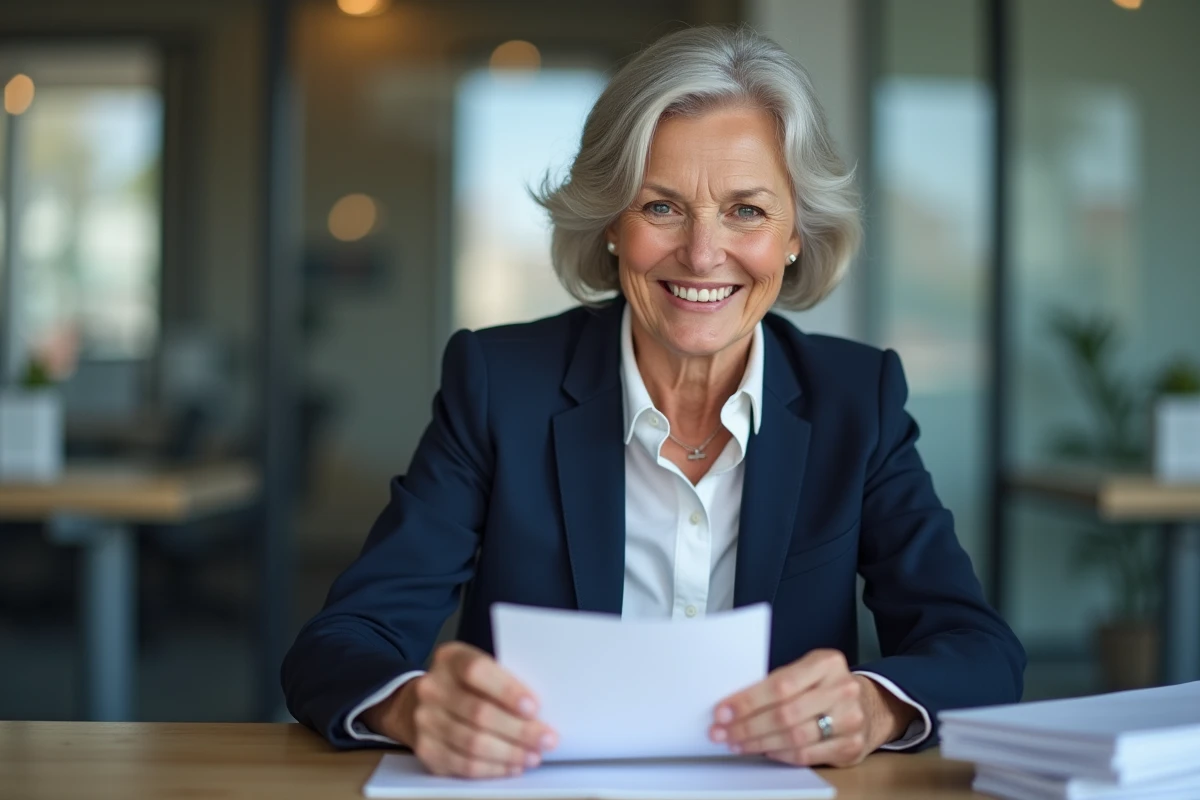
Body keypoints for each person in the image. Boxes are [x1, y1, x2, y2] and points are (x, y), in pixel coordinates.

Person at [282, 25, 1025, 779]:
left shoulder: (855, 402)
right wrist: (412, 705)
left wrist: (873, 705)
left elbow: (978, 651)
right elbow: (342, 641)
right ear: (611, 223)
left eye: (746, 211)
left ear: (796, 234)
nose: (703, 254)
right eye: (662, 207)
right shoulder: (499, 385)